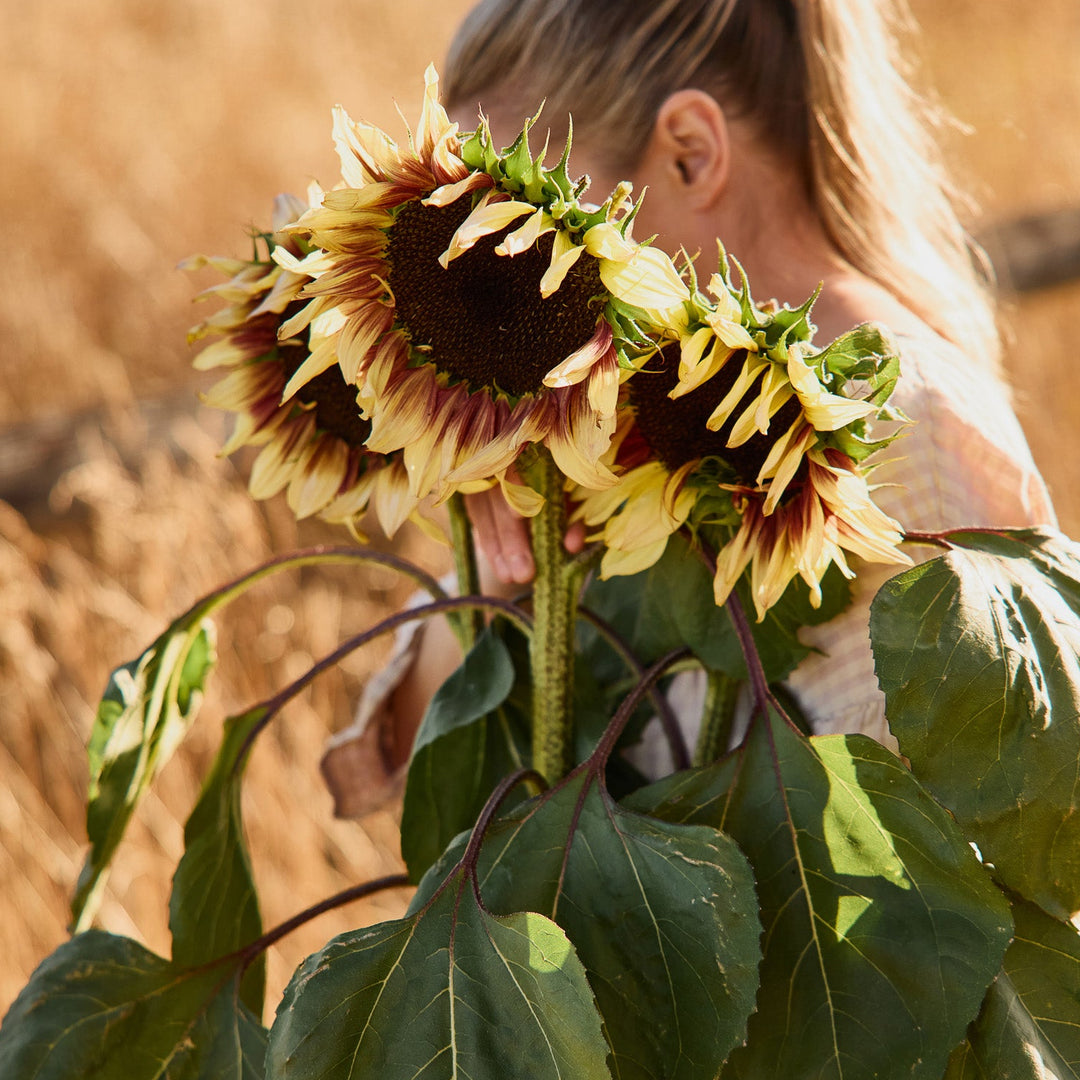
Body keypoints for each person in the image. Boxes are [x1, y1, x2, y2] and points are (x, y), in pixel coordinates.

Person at [320, 0, 1055, 812]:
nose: (502, 271)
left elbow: (949, 874)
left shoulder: (901, 428)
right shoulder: (627, 417)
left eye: (533, 218)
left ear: (691, 156)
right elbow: (414, 762)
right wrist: (495, 566)